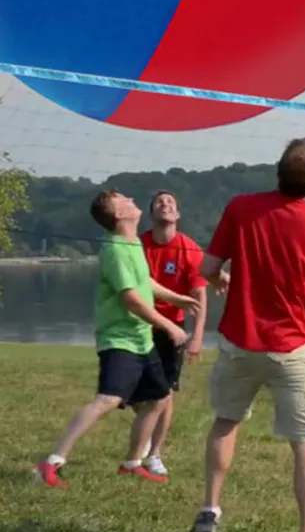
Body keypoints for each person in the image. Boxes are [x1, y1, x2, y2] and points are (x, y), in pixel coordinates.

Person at [185, 137, 305, 532]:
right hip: (290, 347)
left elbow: (205, 269)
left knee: (225, 422)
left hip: (239, 342)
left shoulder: (240, 208)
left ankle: (209, 511)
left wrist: (221, 276)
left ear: (277, 173)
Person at [34, 189, 200, 489]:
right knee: (108, 400)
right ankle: (51, 462)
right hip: (120, 339)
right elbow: (132, 299)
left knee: (159, 399)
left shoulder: (133, 242)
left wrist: (177, 298)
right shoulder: (114, 249)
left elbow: (145, 282)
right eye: (126, 201)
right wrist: (170, 326)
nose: (132, 201)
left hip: (141, 339)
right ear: (119, 215)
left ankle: (132, 463)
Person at [137, 190, 210, 478]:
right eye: (158, 202)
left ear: (177, 214)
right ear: (152, 213)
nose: (164, 205)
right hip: (140, 324)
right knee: (133, 393)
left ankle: (154, 453)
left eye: (170, 203)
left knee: (165, 393)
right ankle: (142, 433)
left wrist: (197, 336)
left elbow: (199, 296)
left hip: (173, 331)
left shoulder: (189, 248)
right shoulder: (138, 245)